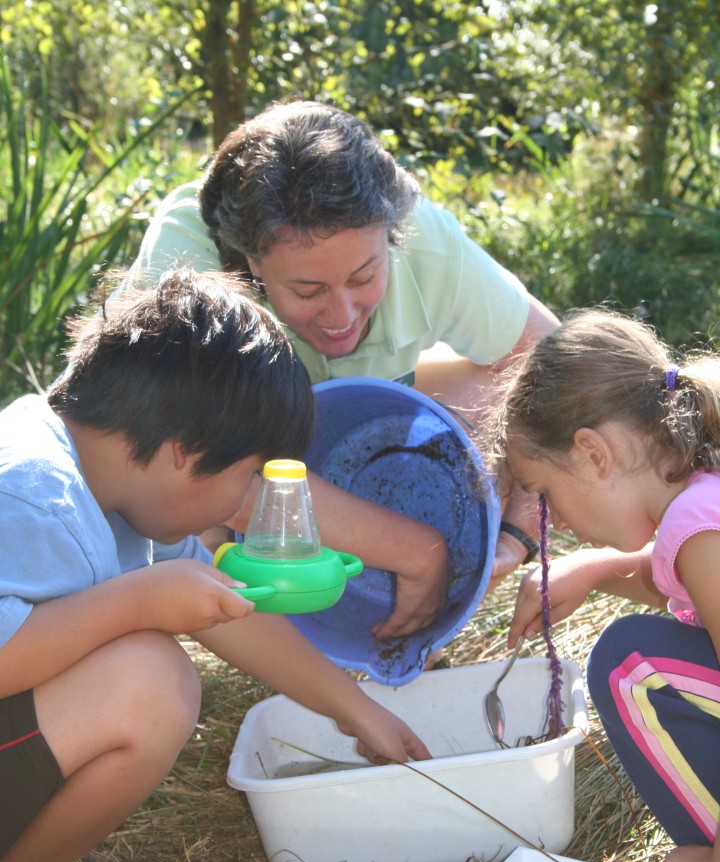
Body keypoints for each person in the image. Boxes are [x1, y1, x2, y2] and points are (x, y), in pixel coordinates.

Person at [0, 267, 429, 862]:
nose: (241, 503)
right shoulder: (33, 497)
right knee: (149, 682)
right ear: (182, 453)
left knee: (146, 669)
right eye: (244, 477)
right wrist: (135, 602)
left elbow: (235, 609)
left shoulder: (117, 492)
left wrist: (355, 709)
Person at [120, 99, 558, 641]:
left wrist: (516, 533)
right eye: (307, 290)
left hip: (329, 425)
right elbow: (200, 475)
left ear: (391, 235)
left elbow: (559, 366)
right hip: (208, 454)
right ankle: (267, 610)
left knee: (498, 390)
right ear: (250, 262)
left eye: (364, 276)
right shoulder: (187, 268)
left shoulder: (424, 237)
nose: (342, 315)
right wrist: (418, 553)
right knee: (187, 515)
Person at [494, 308, 720, 862]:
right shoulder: (700, 493)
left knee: (634, 664)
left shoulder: (700, 532)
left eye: (544, 494)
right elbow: (682, 584)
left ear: (594, 453)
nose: (556, 521)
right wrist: (593, 570)